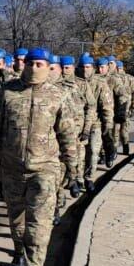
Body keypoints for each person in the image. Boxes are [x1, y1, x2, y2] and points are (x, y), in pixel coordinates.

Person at [0, 48, 79, 266]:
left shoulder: (59, 95)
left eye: (39, 64)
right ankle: (19, 251)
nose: (34, 68)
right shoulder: (8, 93)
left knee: (40, 221)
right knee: (17, 218)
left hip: (44, 169)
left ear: (47, 66)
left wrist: (73, 168)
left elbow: (67, 134)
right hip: (12, 168)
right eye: (30, 63)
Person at [57, 54, 87, 220]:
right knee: (57, 169)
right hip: (55, 136)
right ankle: (57, 202)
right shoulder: (51, 90)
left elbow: (89, 107)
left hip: (74, 133)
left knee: (75, 160)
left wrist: (86, 127)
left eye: (67, 68)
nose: (65, 71)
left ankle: (76, 179)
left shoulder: (77, 86)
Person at [81, 54, 114, 185]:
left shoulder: (100, 84)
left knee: (93, 151)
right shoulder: (76, 83)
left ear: (92, 68)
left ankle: (88, 177)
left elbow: (107, 106)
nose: (85, 70)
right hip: (77, 124)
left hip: (95, 123)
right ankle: (76, 178)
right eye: (82, 67)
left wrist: (107, 125)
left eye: (88, 67)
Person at [113, 60, 134, 155]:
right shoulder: (128, 78)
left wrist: (133, 108)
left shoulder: (127, 79)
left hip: (123, 109)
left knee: (119, 131)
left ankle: (121, 149)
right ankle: (120, 149)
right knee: (120, 131)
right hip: (122, 109)